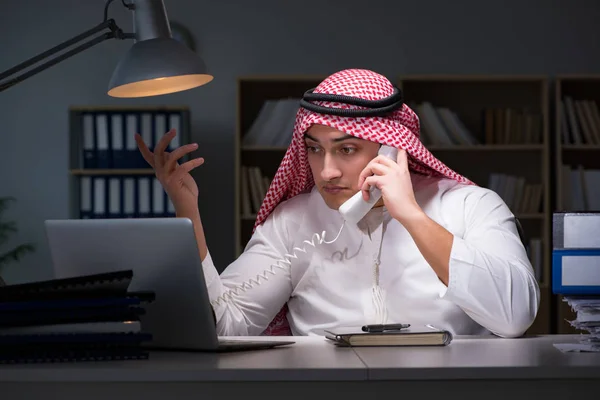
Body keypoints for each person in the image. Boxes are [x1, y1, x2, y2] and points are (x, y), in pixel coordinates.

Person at [135, 68, 540, 339]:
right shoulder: (292, 222)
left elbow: (515, 316)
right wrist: (188, 213)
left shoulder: (471, 206)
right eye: (314, 150)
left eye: (346, 149)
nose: (326, 171)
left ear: (392, 147)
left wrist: (412, 216)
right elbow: (225, 325)